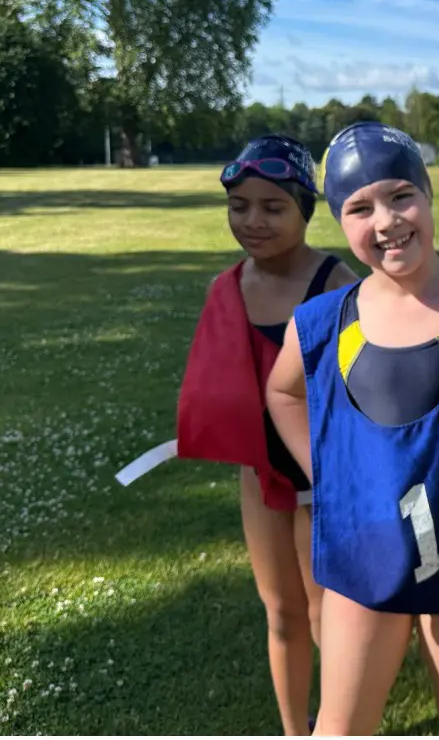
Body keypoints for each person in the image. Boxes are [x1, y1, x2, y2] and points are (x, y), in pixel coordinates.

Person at [265, 122, 439, 736]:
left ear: (428, 194)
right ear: (339, 221)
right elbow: (282, 391)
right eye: (360, 208)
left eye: (401, 196)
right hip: (363, 550)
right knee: (341, 725)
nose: (387, 221)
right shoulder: (322, 322)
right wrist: (329, 474)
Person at [163, 134, 357, 735]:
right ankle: (295, 729)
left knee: (326, 615)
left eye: (273, 207)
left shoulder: (337, 285)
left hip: (326, 479)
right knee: (281, 613)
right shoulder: (225, 289)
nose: (253, 221)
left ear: (306, 210)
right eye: (238, 206)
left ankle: (343, 724)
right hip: (262, 478)